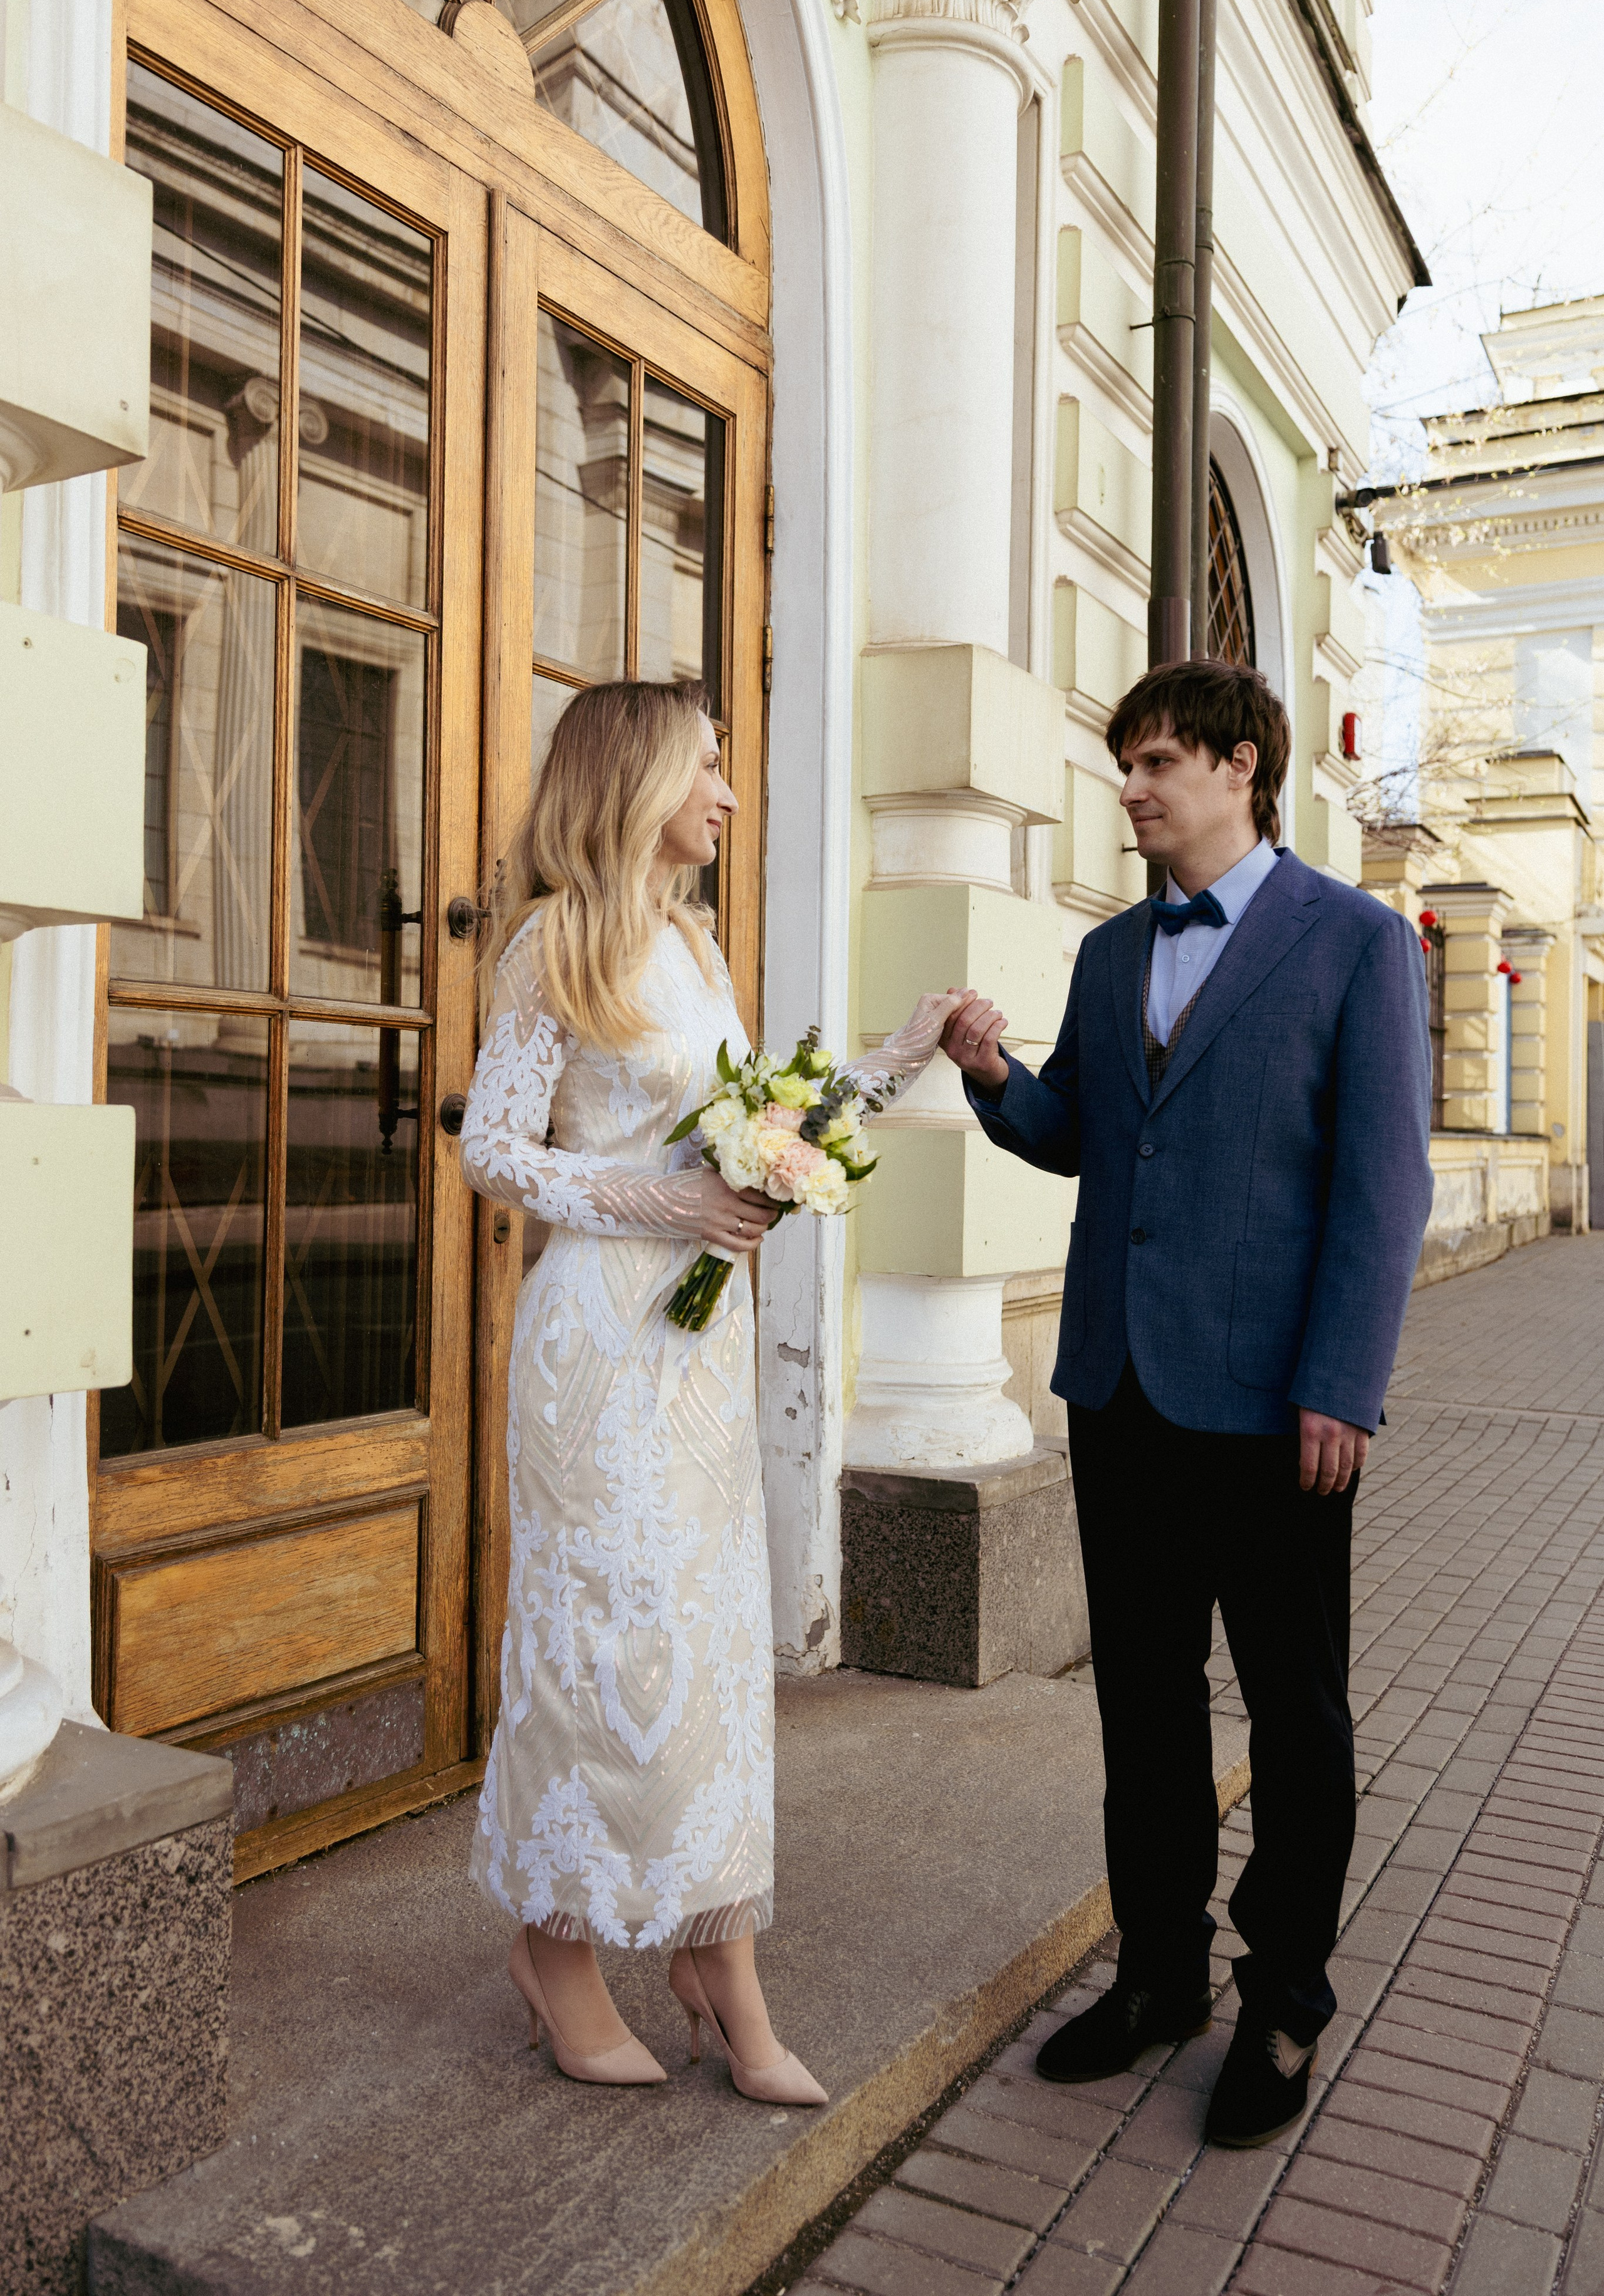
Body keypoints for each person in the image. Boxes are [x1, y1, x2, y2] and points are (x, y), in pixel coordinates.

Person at [940, 657, 1433, 2148]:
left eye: (1155, 762)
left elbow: (1381, 1185)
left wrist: (1341, 1381)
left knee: (1292, 1716)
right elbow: (1083, 1137)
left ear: (1237, 768)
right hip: (1120, 1393)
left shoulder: (1351, 942)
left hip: (1281, 1406)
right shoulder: (1107, 954)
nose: (1131, 790)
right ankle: (1158, 1976)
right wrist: (988, 1076)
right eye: (1125, 766)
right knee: (1144, 1707)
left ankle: (1281, 1996)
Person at [459, 679, 952, 2097]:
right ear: (637, 784)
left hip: (697, 1355)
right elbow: (495, 1151)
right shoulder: (558, 942)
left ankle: (711, 1954)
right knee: (601, 1638)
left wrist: (894, 1055)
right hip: (596, 1346)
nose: (729, 795)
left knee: (710, 1651)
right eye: (708, 769)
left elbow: (752, 1122)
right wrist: (663, 1205)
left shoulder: (696, 943)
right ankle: (555, 1949)